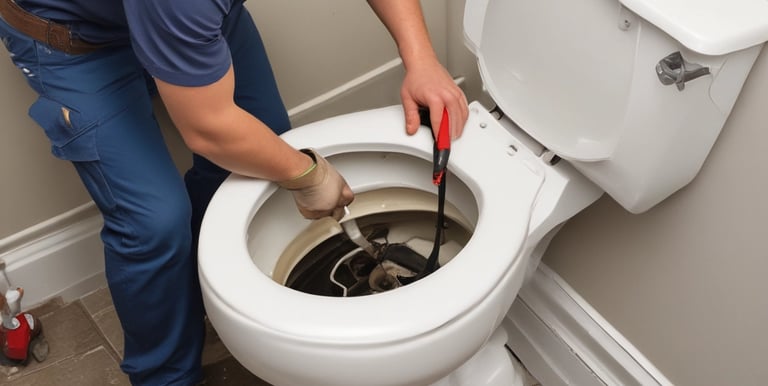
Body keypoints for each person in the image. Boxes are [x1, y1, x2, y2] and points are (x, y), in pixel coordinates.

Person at [0, 0, 468, 384]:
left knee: (265, 145)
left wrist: (421, 59)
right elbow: (210, 129)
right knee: (154, 222)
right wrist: (310, 176)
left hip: (186, 17)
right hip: (78, 41)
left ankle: (208, 295)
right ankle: (166, 377)